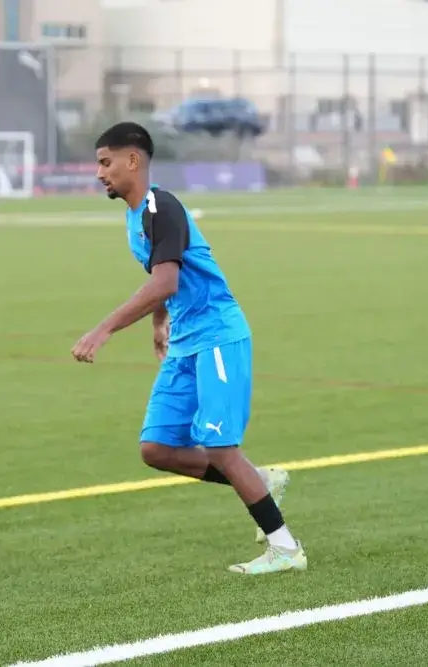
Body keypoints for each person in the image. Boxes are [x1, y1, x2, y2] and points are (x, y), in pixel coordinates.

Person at [71, 122, 307, 575]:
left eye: (105, 162)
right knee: (157, 448)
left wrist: (104, 330)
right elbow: (165, 275)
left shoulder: (162, 206)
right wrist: (161, 321)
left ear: (132, 161)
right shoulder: (135, 214)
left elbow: (166, 278)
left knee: (220, 448)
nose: (99, 173)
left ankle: (286, 549)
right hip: (185, 340)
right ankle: (259, 481)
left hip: (217, 336)